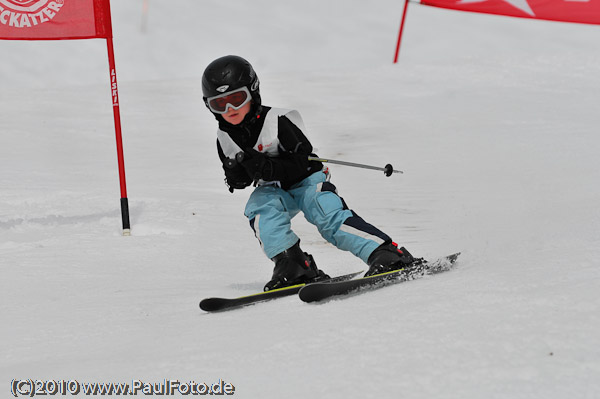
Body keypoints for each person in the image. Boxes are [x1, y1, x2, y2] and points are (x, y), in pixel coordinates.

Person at [202, 55, 416, 291]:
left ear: (252, 92)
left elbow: (303, 162)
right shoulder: (225, 139)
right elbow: (238, 180)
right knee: (261, 210)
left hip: (307, 180)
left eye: (236, 98)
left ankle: (385, 253)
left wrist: (268, 166)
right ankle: (293, 264)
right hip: (274, 188)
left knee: (326, 215)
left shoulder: (277, 121)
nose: (230, 109)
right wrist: (237, 174)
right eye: (219, 104)